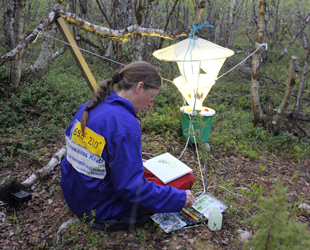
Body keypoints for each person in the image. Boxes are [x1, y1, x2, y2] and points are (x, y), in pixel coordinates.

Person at [60, 61, 195, 230]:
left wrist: (133, 161)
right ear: (139, 87)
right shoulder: (125, 124)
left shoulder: (90, 105)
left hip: (74, 195)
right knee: (185, 180)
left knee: (152, 173)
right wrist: (178, 198)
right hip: (101, 207)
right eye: (152, 96)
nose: (151, 103)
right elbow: (131, 188)